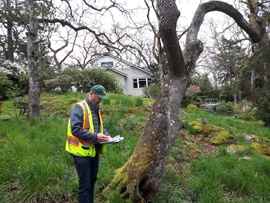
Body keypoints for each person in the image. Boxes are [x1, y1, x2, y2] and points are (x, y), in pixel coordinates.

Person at [65, 85, 111, 203]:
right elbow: (76, 130)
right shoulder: (78, 108)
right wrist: (95, 137)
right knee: (85, 185)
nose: (100, 100)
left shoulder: (96, 108)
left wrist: (106, 135)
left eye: (102, 98)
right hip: (81, 152)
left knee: (92, 181)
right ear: (91, 94)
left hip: (93, 150)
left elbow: (101, 125)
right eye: (99, 97)